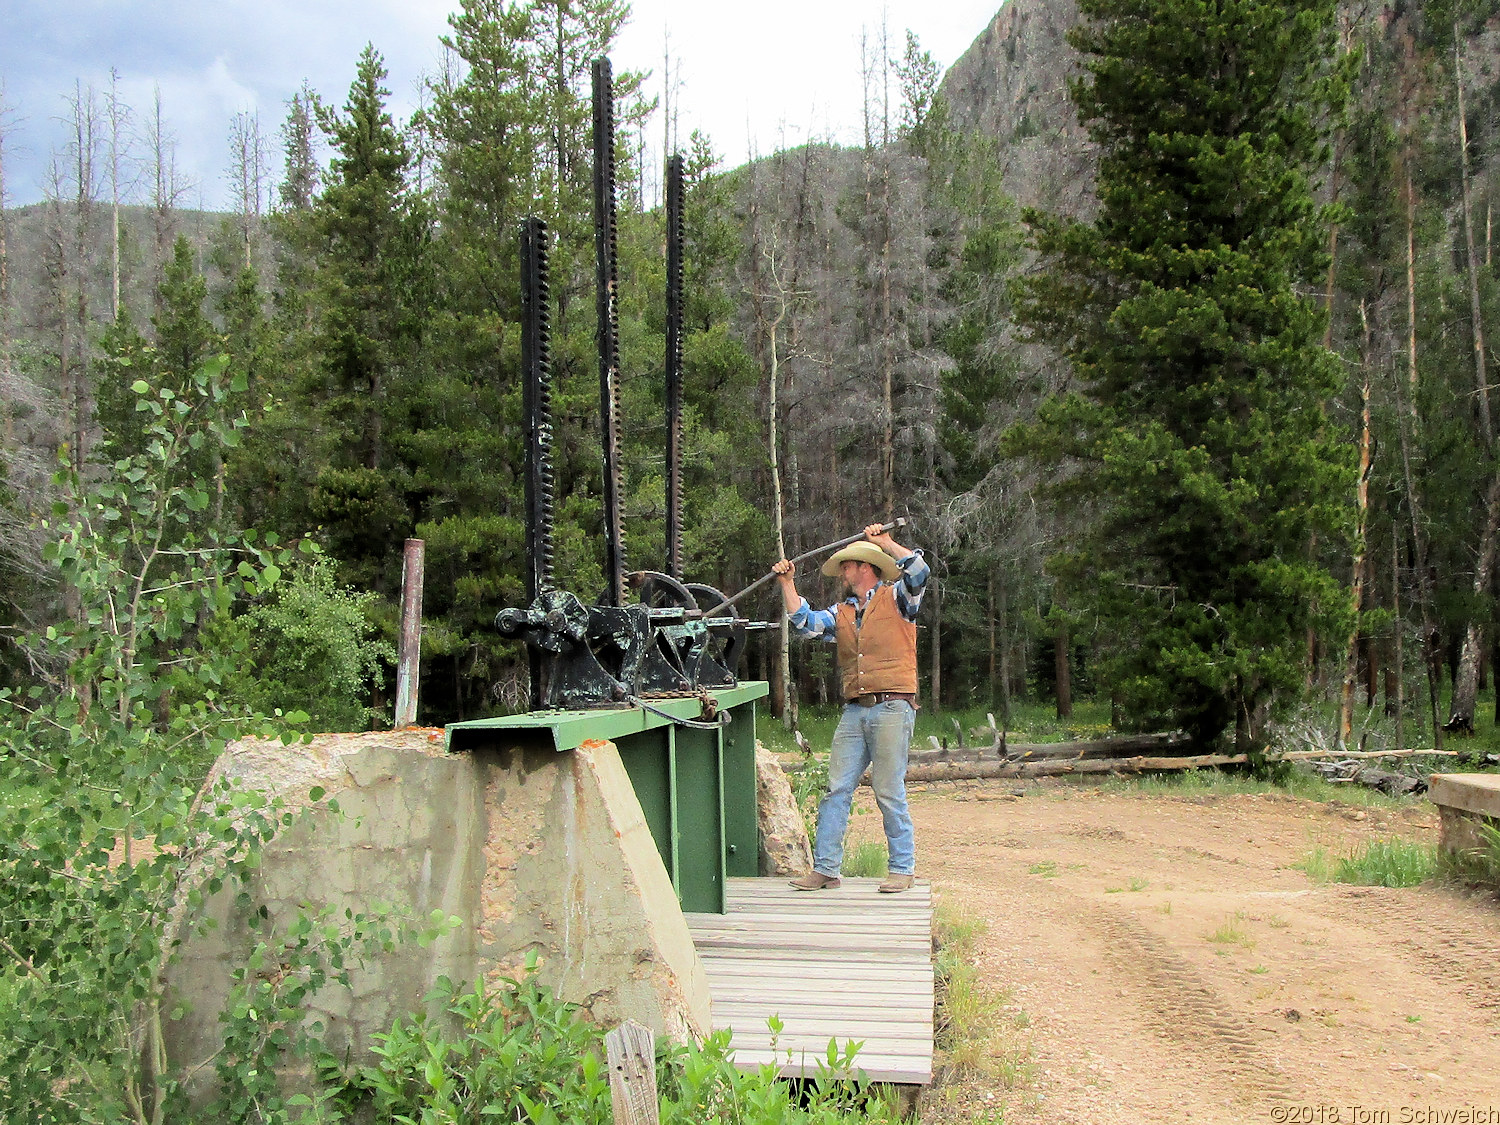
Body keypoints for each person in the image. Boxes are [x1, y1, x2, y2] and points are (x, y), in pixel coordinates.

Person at [772, 523, 929, 893]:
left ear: (865, 567)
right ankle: (826, 869)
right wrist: (787, 584)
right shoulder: (842, 612)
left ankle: (902, 870)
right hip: (855, 709)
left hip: (894, 706)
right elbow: (805, 623)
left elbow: (919, 572)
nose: (842, 571)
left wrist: (885, 542)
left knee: (888, 790)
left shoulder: (898, 599)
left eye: (847, 565)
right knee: (836, 788)